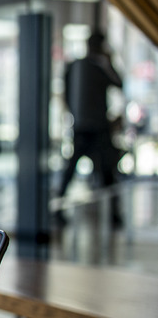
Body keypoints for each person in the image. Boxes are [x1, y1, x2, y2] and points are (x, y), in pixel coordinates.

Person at [58, 31, 124, 224]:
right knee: (100, 171)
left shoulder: (80, 66)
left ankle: (113, 214)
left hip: (86, 126)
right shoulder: (94, 67)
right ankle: (113, 215)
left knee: (81, 170)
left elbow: (66, 95)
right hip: (93, 127)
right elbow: (119, 83)